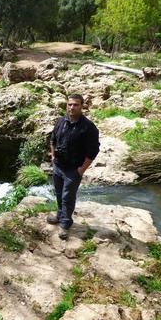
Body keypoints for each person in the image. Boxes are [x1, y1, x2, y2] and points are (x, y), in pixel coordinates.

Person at [48, 94, 100, 240]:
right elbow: (53, 139)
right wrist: (53, 157)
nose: (72, 107)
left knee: (67, 197)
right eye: (70, 104)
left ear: (82, 106)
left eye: (76, 105)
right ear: (66, 105)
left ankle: (65, 224)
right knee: (58, 194)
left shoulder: (88, 127)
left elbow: (94, 150)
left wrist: (82, 169)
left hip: (73, 169)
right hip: (58, 166)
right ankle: (59, 215)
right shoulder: (61, 121)